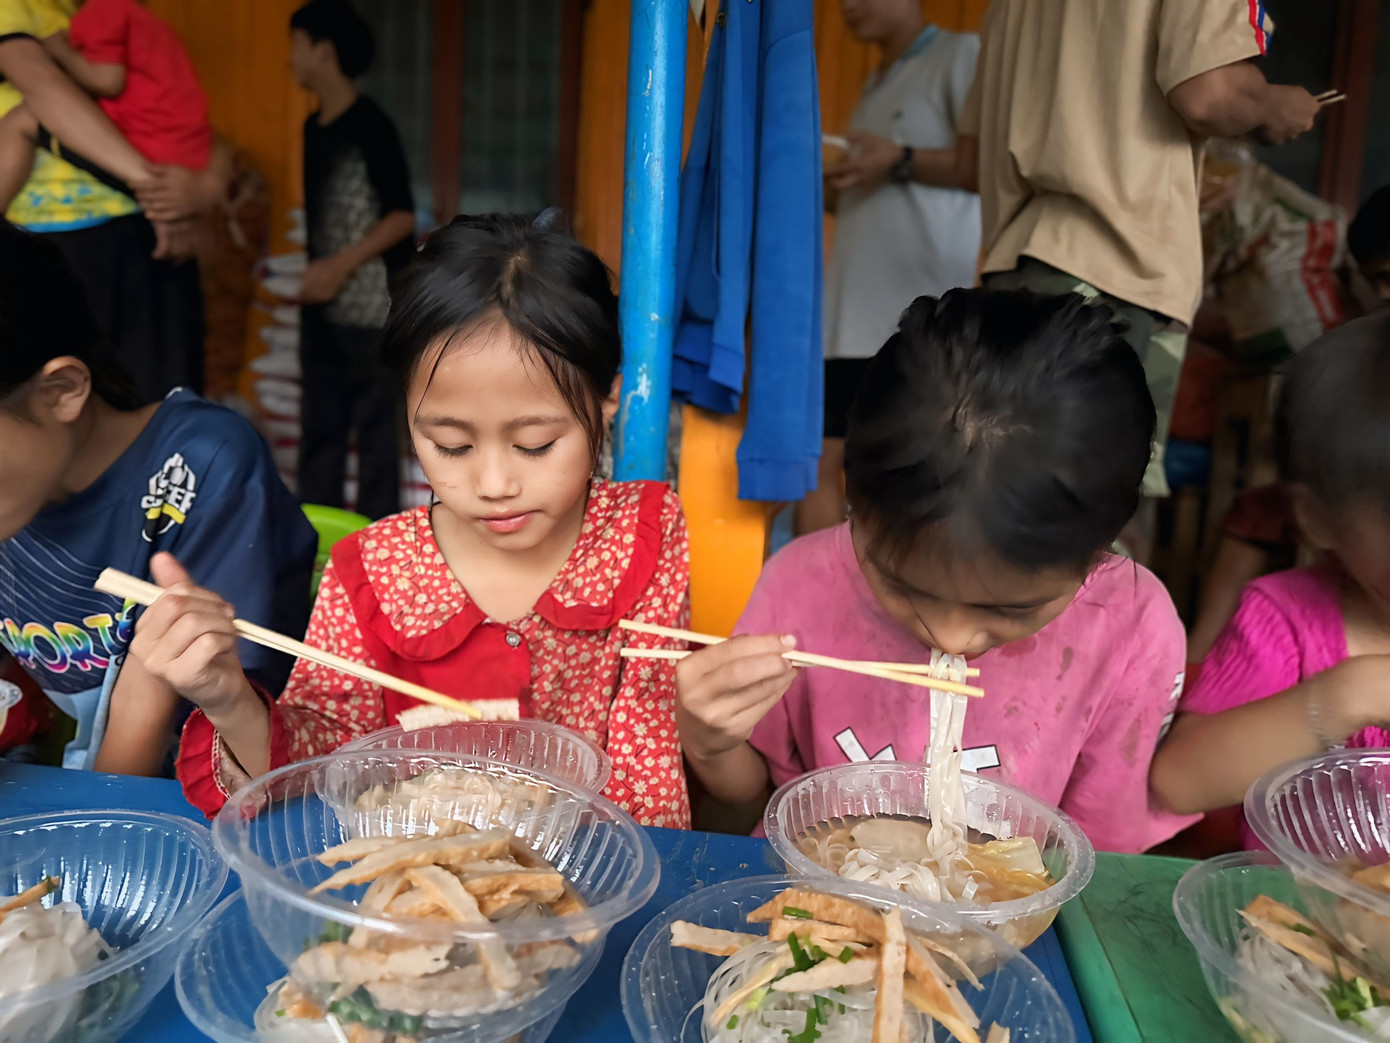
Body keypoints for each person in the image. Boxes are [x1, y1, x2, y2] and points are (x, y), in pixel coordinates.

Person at [134, 212, 693, 829]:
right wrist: (226, 695)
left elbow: (650, 757)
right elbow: (320, 760)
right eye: (451, 446)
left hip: (587, 883)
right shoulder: (371, 573)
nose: (494, 485)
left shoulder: (642, 532)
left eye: (534, 444)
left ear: (608, 396)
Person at [677, 288, 1192, 853]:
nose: (949, 637)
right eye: (901, 587)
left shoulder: (1130, 631)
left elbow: (1098, 854)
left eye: (1009, 608)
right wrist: (709, 741)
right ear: (855, 500)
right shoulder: (799, 585)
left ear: (1100, 548)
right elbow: (755, 792)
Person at [916, 0, 1319, 509]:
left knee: (1001, 508)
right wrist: (1271, 106)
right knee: (1098, 521)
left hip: (1014, 268)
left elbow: (970, 162)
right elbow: (1210, 94)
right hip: (1119, 271)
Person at [0, 220, 317, 776]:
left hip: (215, 795)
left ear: (61, 392)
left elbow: (142, 746)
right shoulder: (18, 495)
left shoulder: (199, 465)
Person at [1151, 312, 1390, 842]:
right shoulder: (1284, 623)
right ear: (1318, 519)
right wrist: (1351, 695)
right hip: (1295, 916)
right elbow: (1177, 783)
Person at [796, 0, 980, 536]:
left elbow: (982, 164)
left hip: (915, 313)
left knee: (910, 473)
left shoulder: (958, 53)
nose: (848, 6)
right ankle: (821, 610)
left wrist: (897, 158)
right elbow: (875, 199)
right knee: (821, 466)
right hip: (847, 316)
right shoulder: (876, 81)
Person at [0, 0, 229, 404]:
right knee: (74, 408)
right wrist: (151, 187)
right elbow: (41, 90)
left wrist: (208, 184)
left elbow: (175, 113)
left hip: (143, 227)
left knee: (165, 402)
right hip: (62, 236)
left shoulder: (96, 12)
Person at [289, 0, 414, 520]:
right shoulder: (312, 127)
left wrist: (339, 265)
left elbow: (401, 217)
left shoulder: (371, 126)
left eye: (296, 46)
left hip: (372, 311)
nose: (290, 59)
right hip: (322, 308)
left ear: (324, 51)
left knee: (378, 440)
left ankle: (379, 553)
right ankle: (315, 555)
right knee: (319, 435)